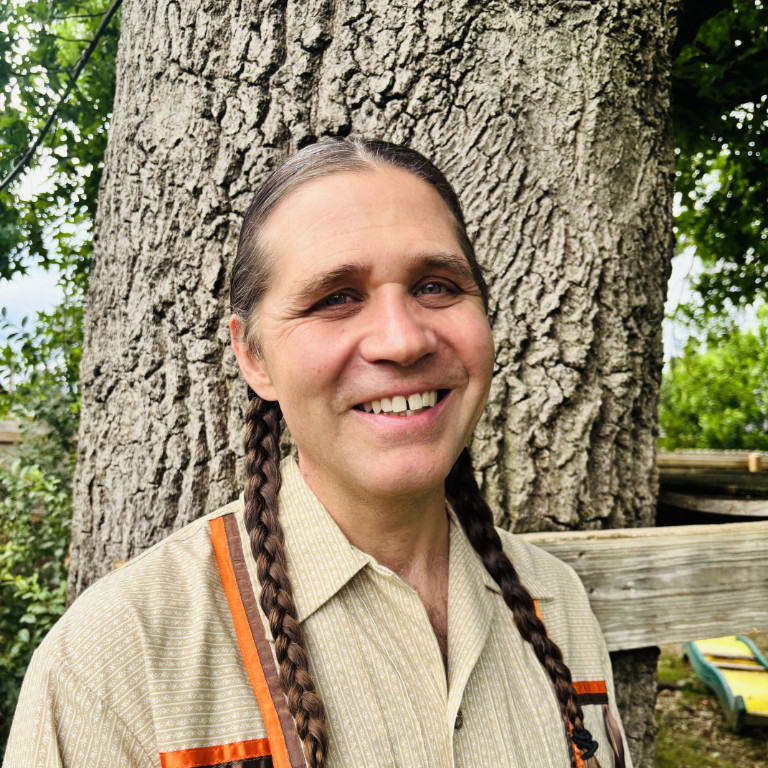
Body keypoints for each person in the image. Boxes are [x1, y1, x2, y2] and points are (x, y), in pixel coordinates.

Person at [4, 139, 629, 768]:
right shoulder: (116, 661)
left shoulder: (557, 605)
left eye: (435, 286)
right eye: (336, 298)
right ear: (254, 357)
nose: (402, 340)